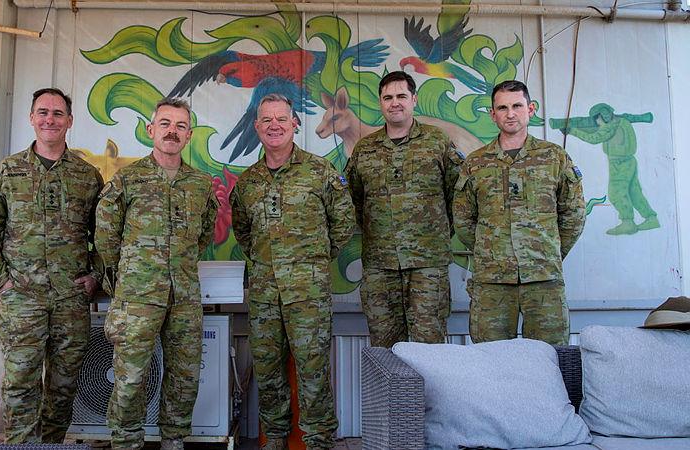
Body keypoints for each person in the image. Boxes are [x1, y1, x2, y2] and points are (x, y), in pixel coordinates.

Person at [0, 87, 103, 443]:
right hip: (21, 298)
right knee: (20, 384)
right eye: (43, 112)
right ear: (31, 118)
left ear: (70, 122)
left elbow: (104, 237)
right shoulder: (9, 172)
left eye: (58, 113)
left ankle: (51, 445)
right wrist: (1, 281)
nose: (50, 119)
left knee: (63, 386)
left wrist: (94, 277)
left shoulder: (87, 176)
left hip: (70, 299)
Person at [230, 93, 354, 450]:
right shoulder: (248, 182)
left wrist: (313, 262)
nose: (274, 126)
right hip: (266, 293)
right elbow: (243, 231)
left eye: (281, 119)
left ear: (295, 124)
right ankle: (276, 440)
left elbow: (342, 224)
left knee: (313, 371)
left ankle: (318, 441)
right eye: (266, 120)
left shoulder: (320, 172)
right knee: (268, 371)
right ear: (257, 127)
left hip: (308, 294)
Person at [95, 98, 218, 450]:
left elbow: (203, 234)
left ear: (189, 135)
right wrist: (128, 276)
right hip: (137, 295)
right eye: (165, 123)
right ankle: (126, 442)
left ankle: (173, 440)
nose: (172, 131)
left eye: (180, 126)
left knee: (184, 376)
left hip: (184, 297)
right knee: (131, 376)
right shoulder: (128, 180)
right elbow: (105, 235)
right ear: (151, 130)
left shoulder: (200, 184)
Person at [452, 80, 586, 345]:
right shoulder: (476, 163)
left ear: (531, 109)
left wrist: (549, 251)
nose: (510, 113)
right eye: (502, 107)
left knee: (552, 358)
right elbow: (463, 218)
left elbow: (573, 214)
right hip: (492, 281)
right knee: (493, 361)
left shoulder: (554, 157)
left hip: (543, 278)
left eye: (517, 105)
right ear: (493, 114)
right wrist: (490, 249)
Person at [344, 70, 464, 347]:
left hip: (427, 265)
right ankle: (390, 394)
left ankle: (430, 394)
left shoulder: (437, 142)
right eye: (388, 97)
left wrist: (435, 233)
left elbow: (458, 195)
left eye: (401, 96)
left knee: (429, 347)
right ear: (380, 103)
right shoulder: (365, 149)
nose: (394, 102)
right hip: (379, 265)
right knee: (384, 347)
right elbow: (353, 199)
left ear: (414, 100)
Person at [556, 103, 658, 235]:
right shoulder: (623, 122)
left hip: (619, 164)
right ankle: (651, 218)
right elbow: (597, 132)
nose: (601, 119)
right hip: (629, 161)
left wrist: (572, 131)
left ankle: (628, 222)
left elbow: (595, 138)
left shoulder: (612, 126)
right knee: (634, 192)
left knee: (616, 193)